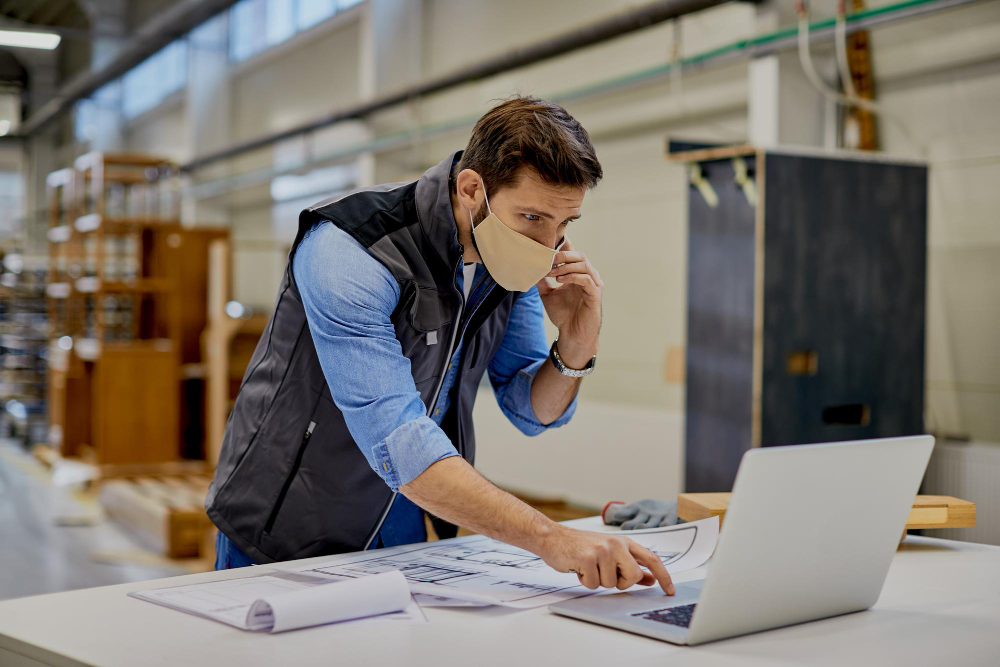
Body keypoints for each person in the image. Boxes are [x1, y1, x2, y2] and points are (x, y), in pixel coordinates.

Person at [206, 96, 674, 596]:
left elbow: (531, 411)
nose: (550, 245)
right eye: (534, 218)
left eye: (564, 225)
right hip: (287, 525)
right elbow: (400, 441)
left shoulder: (507, 264)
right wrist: (550, 538)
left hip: (404, 521)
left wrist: (578, 340)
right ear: (473, 189)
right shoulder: (353, 248)